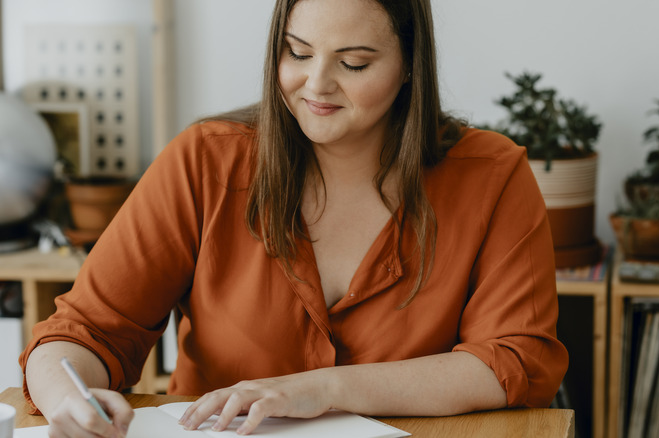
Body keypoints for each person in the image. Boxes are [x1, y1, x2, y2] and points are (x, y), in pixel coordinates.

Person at [20, 0, 568, 436]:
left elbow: (516, 360)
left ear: (409, 67)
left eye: (354, 63)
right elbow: (85, 332)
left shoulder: (492, 175)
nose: (317, 84)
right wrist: (68, 396)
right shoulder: (205, 161)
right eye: (297, 53)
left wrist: (322, 389)